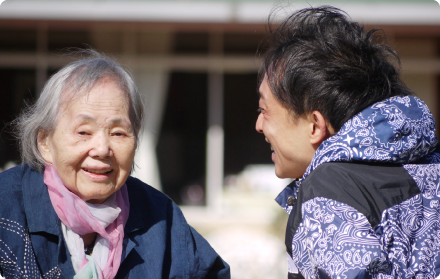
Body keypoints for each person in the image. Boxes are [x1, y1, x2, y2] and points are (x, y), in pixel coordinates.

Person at [0, 51, 230, 279]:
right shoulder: (6, 207)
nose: (102, 149)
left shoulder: (160, 216)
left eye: (118, 133)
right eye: (84, 132)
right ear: (45, 142)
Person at [256, 6, 440, 279]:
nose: (259, 126)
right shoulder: (430, 165)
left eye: (264, 110)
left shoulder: (331, 189)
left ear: (315, 126)